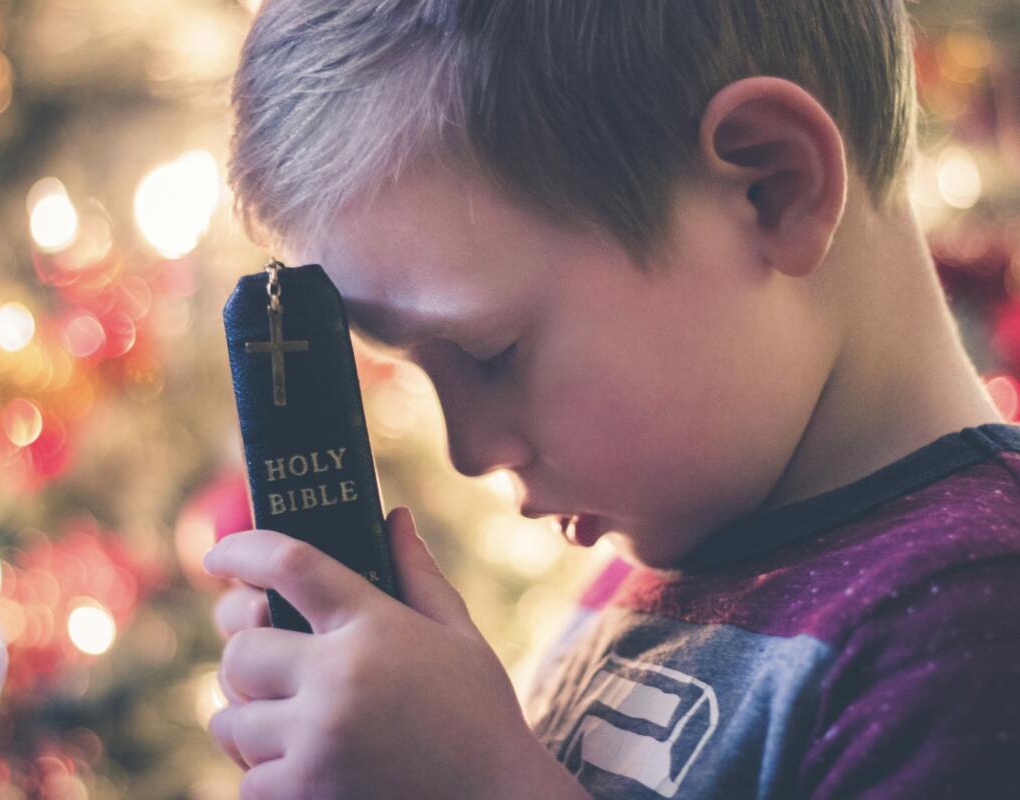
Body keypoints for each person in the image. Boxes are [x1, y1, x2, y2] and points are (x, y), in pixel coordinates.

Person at [202, 1, 1020, 797]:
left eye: (491, 354)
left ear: (770, 187)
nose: (469, 451)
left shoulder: (976, 623)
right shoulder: (653, 569)